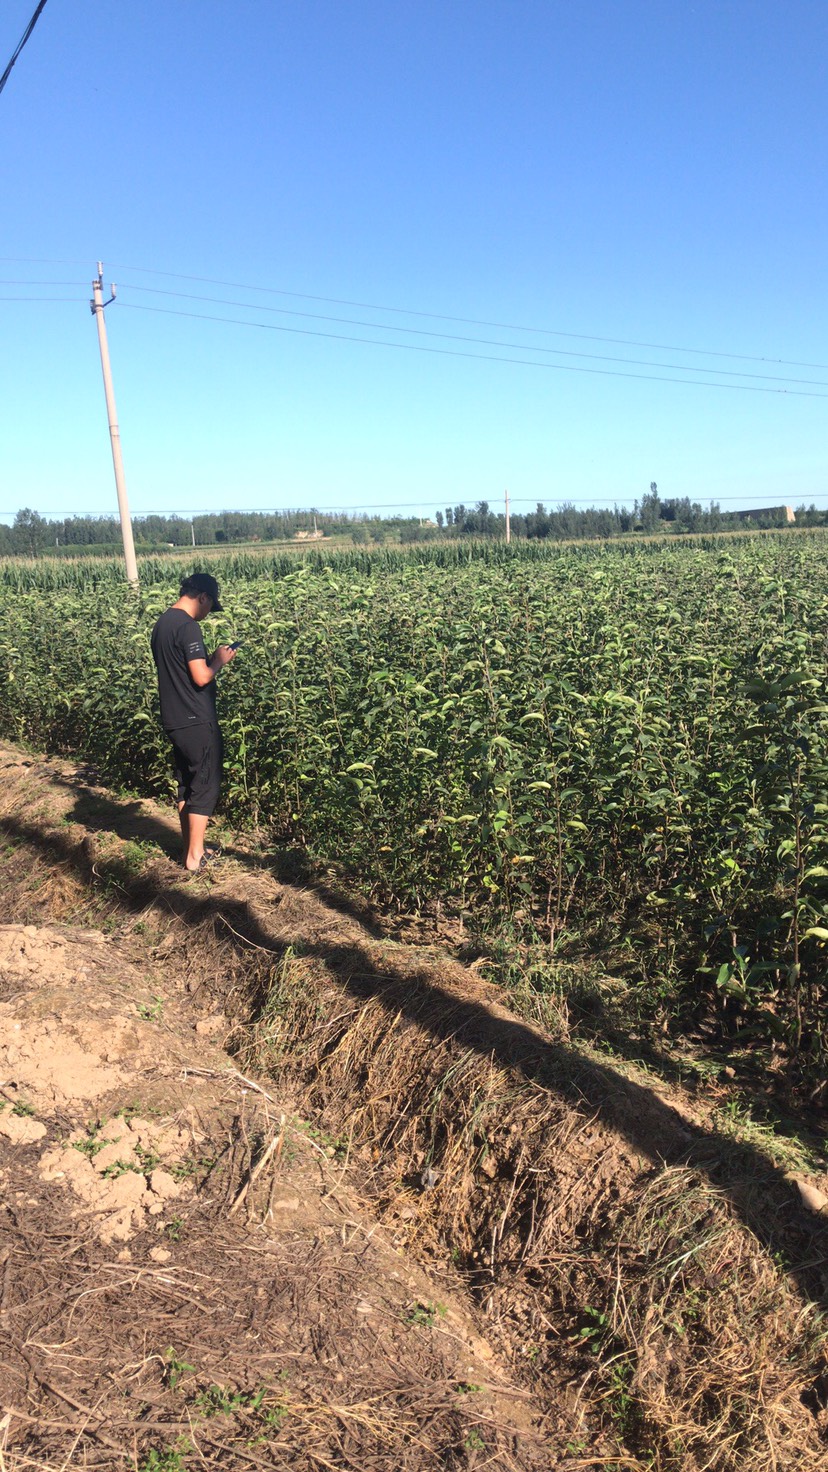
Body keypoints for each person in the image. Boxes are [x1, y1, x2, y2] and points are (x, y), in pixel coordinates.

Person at [150, 572, 238, 872]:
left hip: (173, 718)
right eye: (210, 606)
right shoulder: (188, 628)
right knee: (205, 784)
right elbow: (201, 676)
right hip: (196, 718)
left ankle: (190, 848)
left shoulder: (162, 624)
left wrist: (209, 659)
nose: (207, 614)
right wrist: (219, 661)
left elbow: (179, 671)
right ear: (203, 597)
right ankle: (195, 858)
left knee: (187, 783)